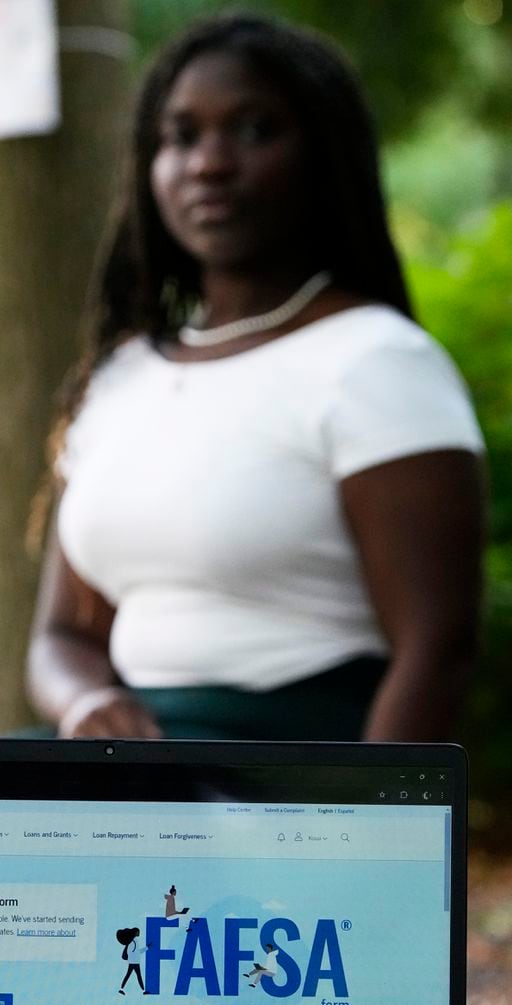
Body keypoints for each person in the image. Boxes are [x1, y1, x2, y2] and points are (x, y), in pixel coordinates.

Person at [26, 10, 485, 744]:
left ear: (323, 157)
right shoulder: (122, 379)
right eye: (181, 136)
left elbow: (438, 652)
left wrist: (365, 834)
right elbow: (61, 638)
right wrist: (85, 704)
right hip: (137, 767)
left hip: (294, 769)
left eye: (253, 130)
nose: (209, 162)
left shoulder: (376, 363)